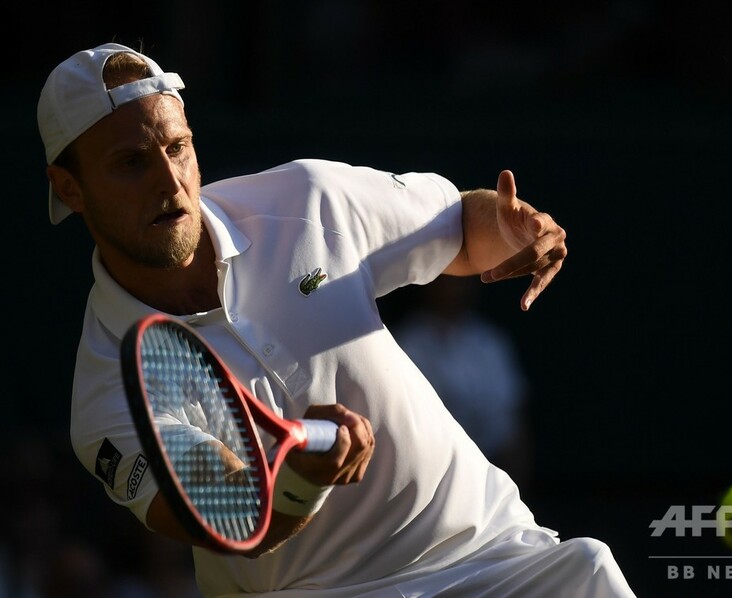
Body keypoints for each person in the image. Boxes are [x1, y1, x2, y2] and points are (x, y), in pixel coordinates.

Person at [38, 42, 637, 597]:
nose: (170, 183)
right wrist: (303, 480)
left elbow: (457, 227)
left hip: (493, 552)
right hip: (315, 593)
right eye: (130, 163)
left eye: (177, 148)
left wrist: (510, 229)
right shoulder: (107, 391)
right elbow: (230, 513)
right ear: (70, 188)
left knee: (590, 568)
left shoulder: (307, 198)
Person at [392, 276, 536, 495]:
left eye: (462, 281)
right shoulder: (405, 342)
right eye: (447, 280)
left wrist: (513, 491)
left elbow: (513, 424)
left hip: (491, 478)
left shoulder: (490, 342)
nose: (455, 288)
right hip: (430, 479)